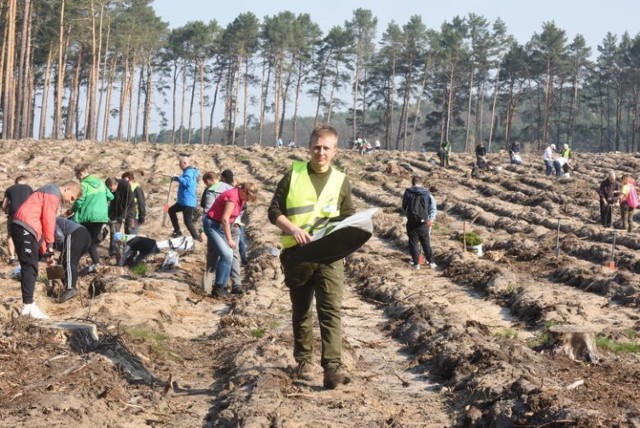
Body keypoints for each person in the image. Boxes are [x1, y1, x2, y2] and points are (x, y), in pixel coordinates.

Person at [268, 124, 355, 390]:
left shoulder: (341, 180)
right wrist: (293, 229)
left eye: (326, 148)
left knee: (330, 311)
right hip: (298, 255)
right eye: (317, 147)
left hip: (329, 256)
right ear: (310, 147)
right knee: (302, 310)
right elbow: (273, 211)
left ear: (335, 151)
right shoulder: (292, 176)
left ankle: (332, 368)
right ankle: (304, 362)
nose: (321, 152)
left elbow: (348, 216)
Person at [11, 181, 82, 319]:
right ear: (67, 189)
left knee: (32, 266)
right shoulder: (52, 193)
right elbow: (48, 221)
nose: (70, 202)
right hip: (24, 227)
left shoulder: (49, 193)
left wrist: (46, 253)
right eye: (72, 198)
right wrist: (50, 244)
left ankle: (29, 304)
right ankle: (28, 306)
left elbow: (42, 227)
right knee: (30, 266)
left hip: (28, 228)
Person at [204, 182, 258, 297]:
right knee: (226, 254)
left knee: (228, 255)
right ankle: (217, 287)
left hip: (221, 227)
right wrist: (229, 239)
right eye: (248, 197)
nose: (248, 200)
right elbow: (224, 219)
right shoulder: (232, 197)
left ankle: (222, 287)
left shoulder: (240, 197)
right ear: (243, 191)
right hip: (212, 225)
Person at [69, 163, 113, 272]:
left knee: (85, 240)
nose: (77, 178)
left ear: (81, 173)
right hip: (101, 217)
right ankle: (94, 263)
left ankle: (82, 262)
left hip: (87, 217)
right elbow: (111, 196)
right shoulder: (101, 183)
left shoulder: (83, 185)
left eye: (77, 175)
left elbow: (79, 201)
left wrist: (71, 211)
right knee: (90, 241)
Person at [200, 169, 234, 285]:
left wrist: (202, 229)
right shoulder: (230, 188)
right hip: (229, 225)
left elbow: (207, 209)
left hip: (214, 224)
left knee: (213, 253)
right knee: (229, 255)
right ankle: (227, 284)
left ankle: (209, 283)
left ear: (209, 181)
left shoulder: (212, 189)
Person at [402, 176, 437, 270]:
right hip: (424, 223)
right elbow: (433, 208)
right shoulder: (427, 194)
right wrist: (430, 220)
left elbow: (404, 206)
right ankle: (431, 262)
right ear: (421, 183)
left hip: (411, 222)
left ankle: (416, 263)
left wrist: (410, 216)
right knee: (426, 242)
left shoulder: (407, 192)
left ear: (412, 183)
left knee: (413, 243)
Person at [54, 217, 92, 302]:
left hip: (76, 234)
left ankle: (70, 288)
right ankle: (65, 287)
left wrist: (52, 250)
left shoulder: (50, 221)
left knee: (69, 262)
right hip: (84, 236)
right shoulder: (55, 220)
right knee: (62, 262)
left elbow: (59, 236)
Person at [168, 154, 200, 240]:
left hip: (187, 202)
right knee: (171, 210)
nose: (179, 165)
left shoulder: (189, 172)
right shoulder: (188, 171)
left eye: (180, 163)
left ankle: (196, 238)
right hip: (183, 201)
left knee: (187, 222)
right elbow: (185, 181)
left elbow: (188, 183)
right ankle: (177, 230)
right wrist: (176, 178)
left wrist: (178, 177)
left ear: (185, 163)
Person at [2, 175, 33, 264]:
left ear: (16, 181)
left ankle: (12, 257)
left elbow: (4, 206)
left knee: (10, 235)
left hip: (13, 214)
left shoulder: (9, 189)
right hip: (27, 215)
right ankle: (25, 255)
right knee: (27, 233)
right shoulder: (29, 188)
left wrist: (6, 211)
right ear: (25, 181)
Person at [105, 176, 136, 258]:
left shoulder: (125, 184)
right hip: (116, 210)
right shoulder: (108, 188)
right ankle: (113, 251)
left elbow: (129, 201)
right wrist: (109, 214)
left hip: (129, 209)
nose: (111, 191)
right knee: (114, 230)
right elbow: (110, 201)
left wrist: (123, 215)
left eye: (113, 189)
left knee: (129, 230)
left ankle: (130, 250)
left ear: (116, 184)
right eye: (110, 189)